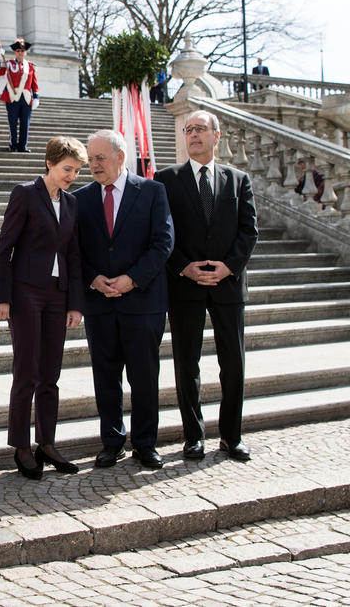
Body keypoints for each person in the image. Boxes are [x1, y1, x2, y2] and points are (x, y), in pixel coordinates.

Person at [154, 111, 258, 461]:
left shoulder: (238, 179)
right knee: (187, 362)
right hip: (186, 285)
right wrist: (184, 267)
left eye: (201, 129)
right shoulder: (165, 179)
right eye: (189, 130)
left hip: (228, 285)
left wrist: (229, 267)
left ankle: (231, 435)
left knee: (234, 362)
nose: (194, 135)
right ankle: (193, 436)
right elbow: (161, 232)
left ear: (216, 136)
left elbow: (249, 231)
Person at [74, 130, 174, 470]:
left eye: (100, 158)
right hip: (100, 303)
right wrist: (93, 279)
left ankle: (145, 444)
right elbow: (74, 249)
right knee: (106, 376)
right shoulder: (81, 198)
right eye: (90, 159)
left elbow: (163, 242)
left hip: (143, 301)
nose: (94, 165)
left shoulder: (152, 192)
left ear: (121, 155)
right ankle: (112, 441)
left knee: (144, 376)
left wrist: (132, 279)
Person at [0, 136, 86, 480]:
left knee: (51, 374)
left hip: (58, 296)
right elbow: (4, 248)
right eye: (67, 169)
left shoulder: (72, 203)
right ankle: (21, 445)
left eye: (76, 171)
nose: (71, 176)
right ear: (49, 163)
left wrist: (75, 303)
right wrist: (1, 296)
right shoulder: (25, 194)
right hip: (26, 293)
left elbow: (74, 256)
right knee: (27, 371)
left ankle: (47, 441)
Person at [0, 38, 39, 153]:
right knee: (12, 123)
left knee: (25, 123)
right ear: (15, 52)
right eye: (18, 50)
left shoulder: (30, 66)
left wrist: (36, 97)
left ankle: (22, 146)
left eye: (22, 51)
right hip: (12, 96)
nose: (20, 53)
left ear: (26, 52)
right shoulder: (8, 64)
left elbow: (34, 83)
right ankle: (13, 145)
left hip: (26, 97)